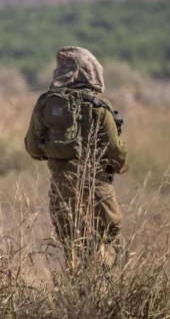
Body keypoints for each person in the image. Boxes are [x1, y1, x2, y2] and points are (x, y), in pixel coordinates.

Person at [24, 46, 128, 263]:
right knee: (105, 248)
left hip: (60, 188)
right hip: (97, 188)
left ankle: (78, 293)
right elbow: (117, 155)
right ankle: (102, 294)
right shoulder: (99, 107)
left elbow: (33, 149)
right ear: (89, 71)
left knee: (72, 249)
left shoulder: (45, 105)